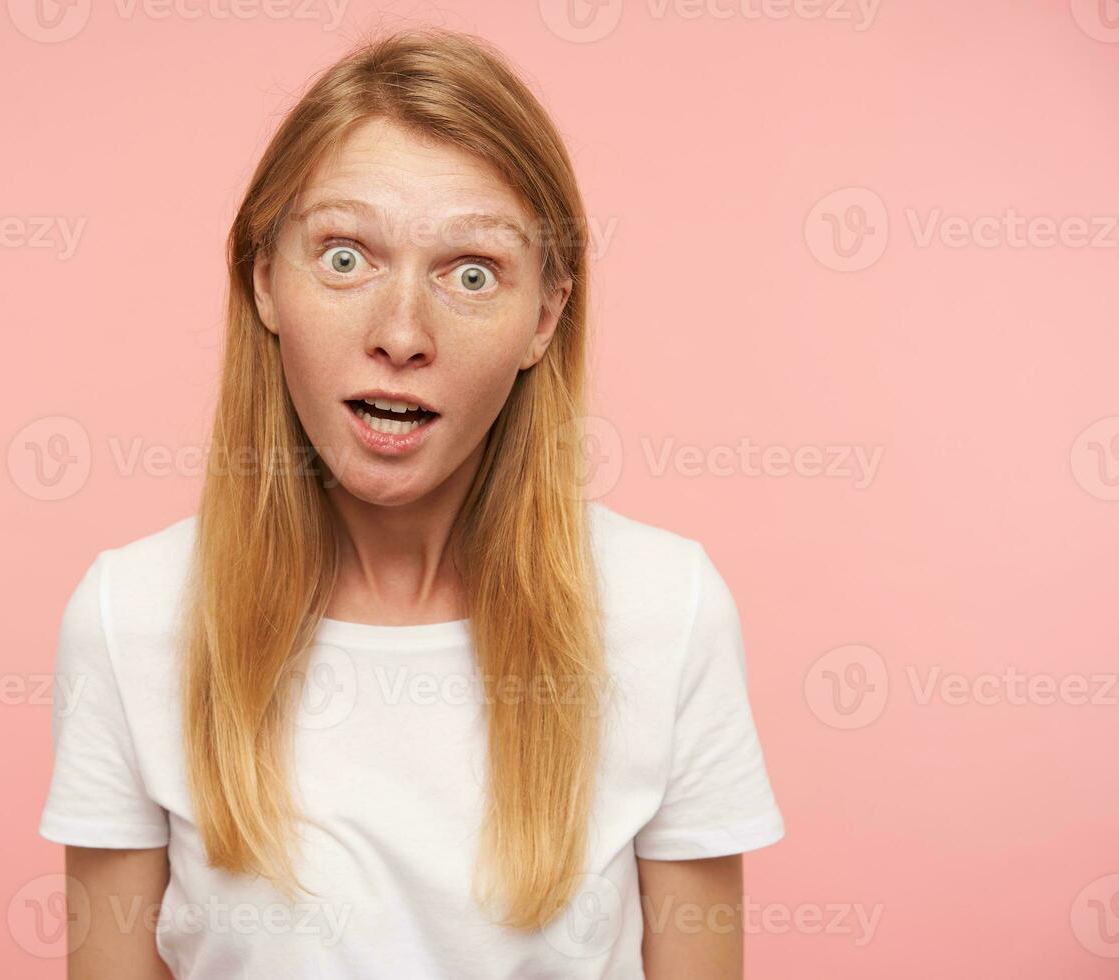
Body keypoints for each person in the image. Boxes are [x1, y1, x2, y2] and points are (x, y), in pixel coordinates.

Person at [39, 27, 784, 979]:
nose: (401, 333)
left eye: (471, 273)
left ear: (544, 318)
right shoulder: (130, 617)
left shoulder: (666, 609)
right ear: (265, 279)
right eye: (345, 258)